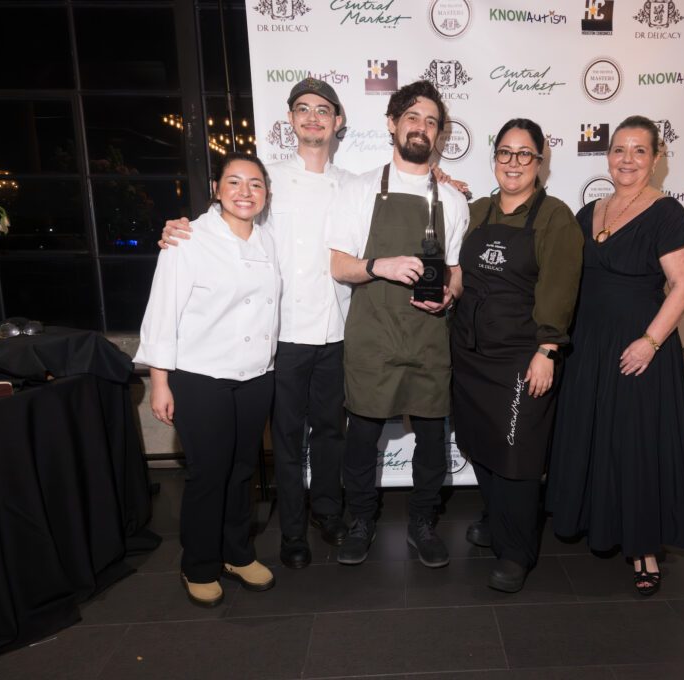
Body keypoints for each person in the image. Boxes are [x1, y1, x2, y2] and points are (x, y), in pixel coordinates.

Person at [160, 78, 466, 570]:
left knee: (330, 434)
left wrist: (444, 183)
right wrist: (184, 228)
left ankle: (329, 514)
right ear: (291, 119)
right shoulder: (269, 180)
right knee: (285, 439)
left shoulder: (353, 182)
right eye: (303, 110)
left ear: (338, 121)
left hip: (340, 330)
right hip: (282, 332)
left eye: (324, 111)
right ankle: (293, 533)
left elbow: (428, 226)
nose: (314, 119)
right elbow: (231, 212)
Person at [546, 115, 684, 597]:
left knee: (635, 445)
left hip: (640, 349)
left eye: (639, 150)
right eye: (618, 150)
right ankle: (600, 522)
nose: (627, 159)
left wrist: (651, 341)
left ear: (657, 159)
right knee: (597, 438)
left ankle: (644, 549)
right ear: (607, 156)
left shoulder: (667, 212)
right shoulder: (589, 211)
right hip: (589, 346)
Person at [327, 79, 470, 568]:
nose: (421, 127)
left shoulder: (452, 200)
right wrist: (379, 266)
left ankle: (422, 523)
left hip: (429, 337)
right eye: (412, 117)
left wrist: (448, 295)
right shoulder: (361, 188)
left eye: (431, 121)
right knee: (362, 438)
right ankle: (361, 520)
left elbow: (455, 273)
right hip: (373, 335)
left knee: (432, 440)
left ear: (439, 133)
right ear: (392, 124)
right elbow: (338, 264)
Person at [135, 152, 280, 607]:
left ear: (266, 194)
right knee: (208, 473)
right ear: (217, 189)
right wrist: (160, 381)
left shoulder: (268, 241)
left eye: (255, 184)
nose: (245, 192)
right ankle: (197, 563)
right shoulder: (189, 239)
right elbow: (162, 313)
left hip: (256, 375)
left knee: (242, 471)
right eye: (234, 182)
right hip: (200, 377)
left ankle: (237, 553)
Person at [451, 118, 583, 592]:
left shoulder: (555, 217)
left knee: (517, 455)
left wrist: (547, 349)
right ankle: (497, 519)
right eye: (505, 153)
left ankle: (516, 551)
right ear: (494, 159)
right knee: (482, 445)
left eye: (524, 154)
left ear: (540, 162)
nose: (513, 162)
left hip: (521, 356)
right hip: (469, 354)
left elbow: (559, 288)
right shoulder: (477, 211)